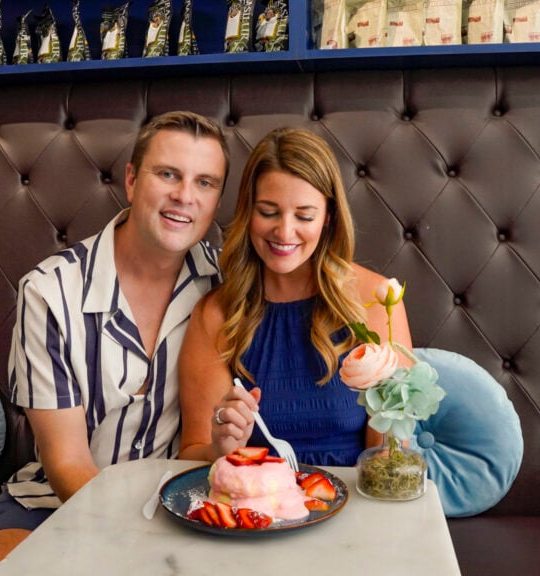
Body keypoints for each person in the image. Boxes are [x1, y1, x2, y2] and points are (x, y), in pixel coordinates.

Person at [0, 111, 230, 575]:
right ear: (132, 180)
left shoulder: (226, 285)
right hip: (52, 502)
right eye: (168, 174)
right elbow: (66, 464)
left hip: (185, 509)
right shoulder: (49, 291)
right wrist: (132, 546)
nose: (185, 196)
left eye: (204, 183)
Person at [177, 127, 413, 467]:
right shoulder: (216, 313)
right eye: (268, 212)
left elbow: (390, 455)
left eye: (304, 215)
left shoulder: (376, 300)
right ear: (248, 211)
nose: (285, 232)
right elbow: (192, 452)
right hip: (255, 497)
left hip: (355, 493)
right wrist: (219, 449)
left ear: (328, 217)